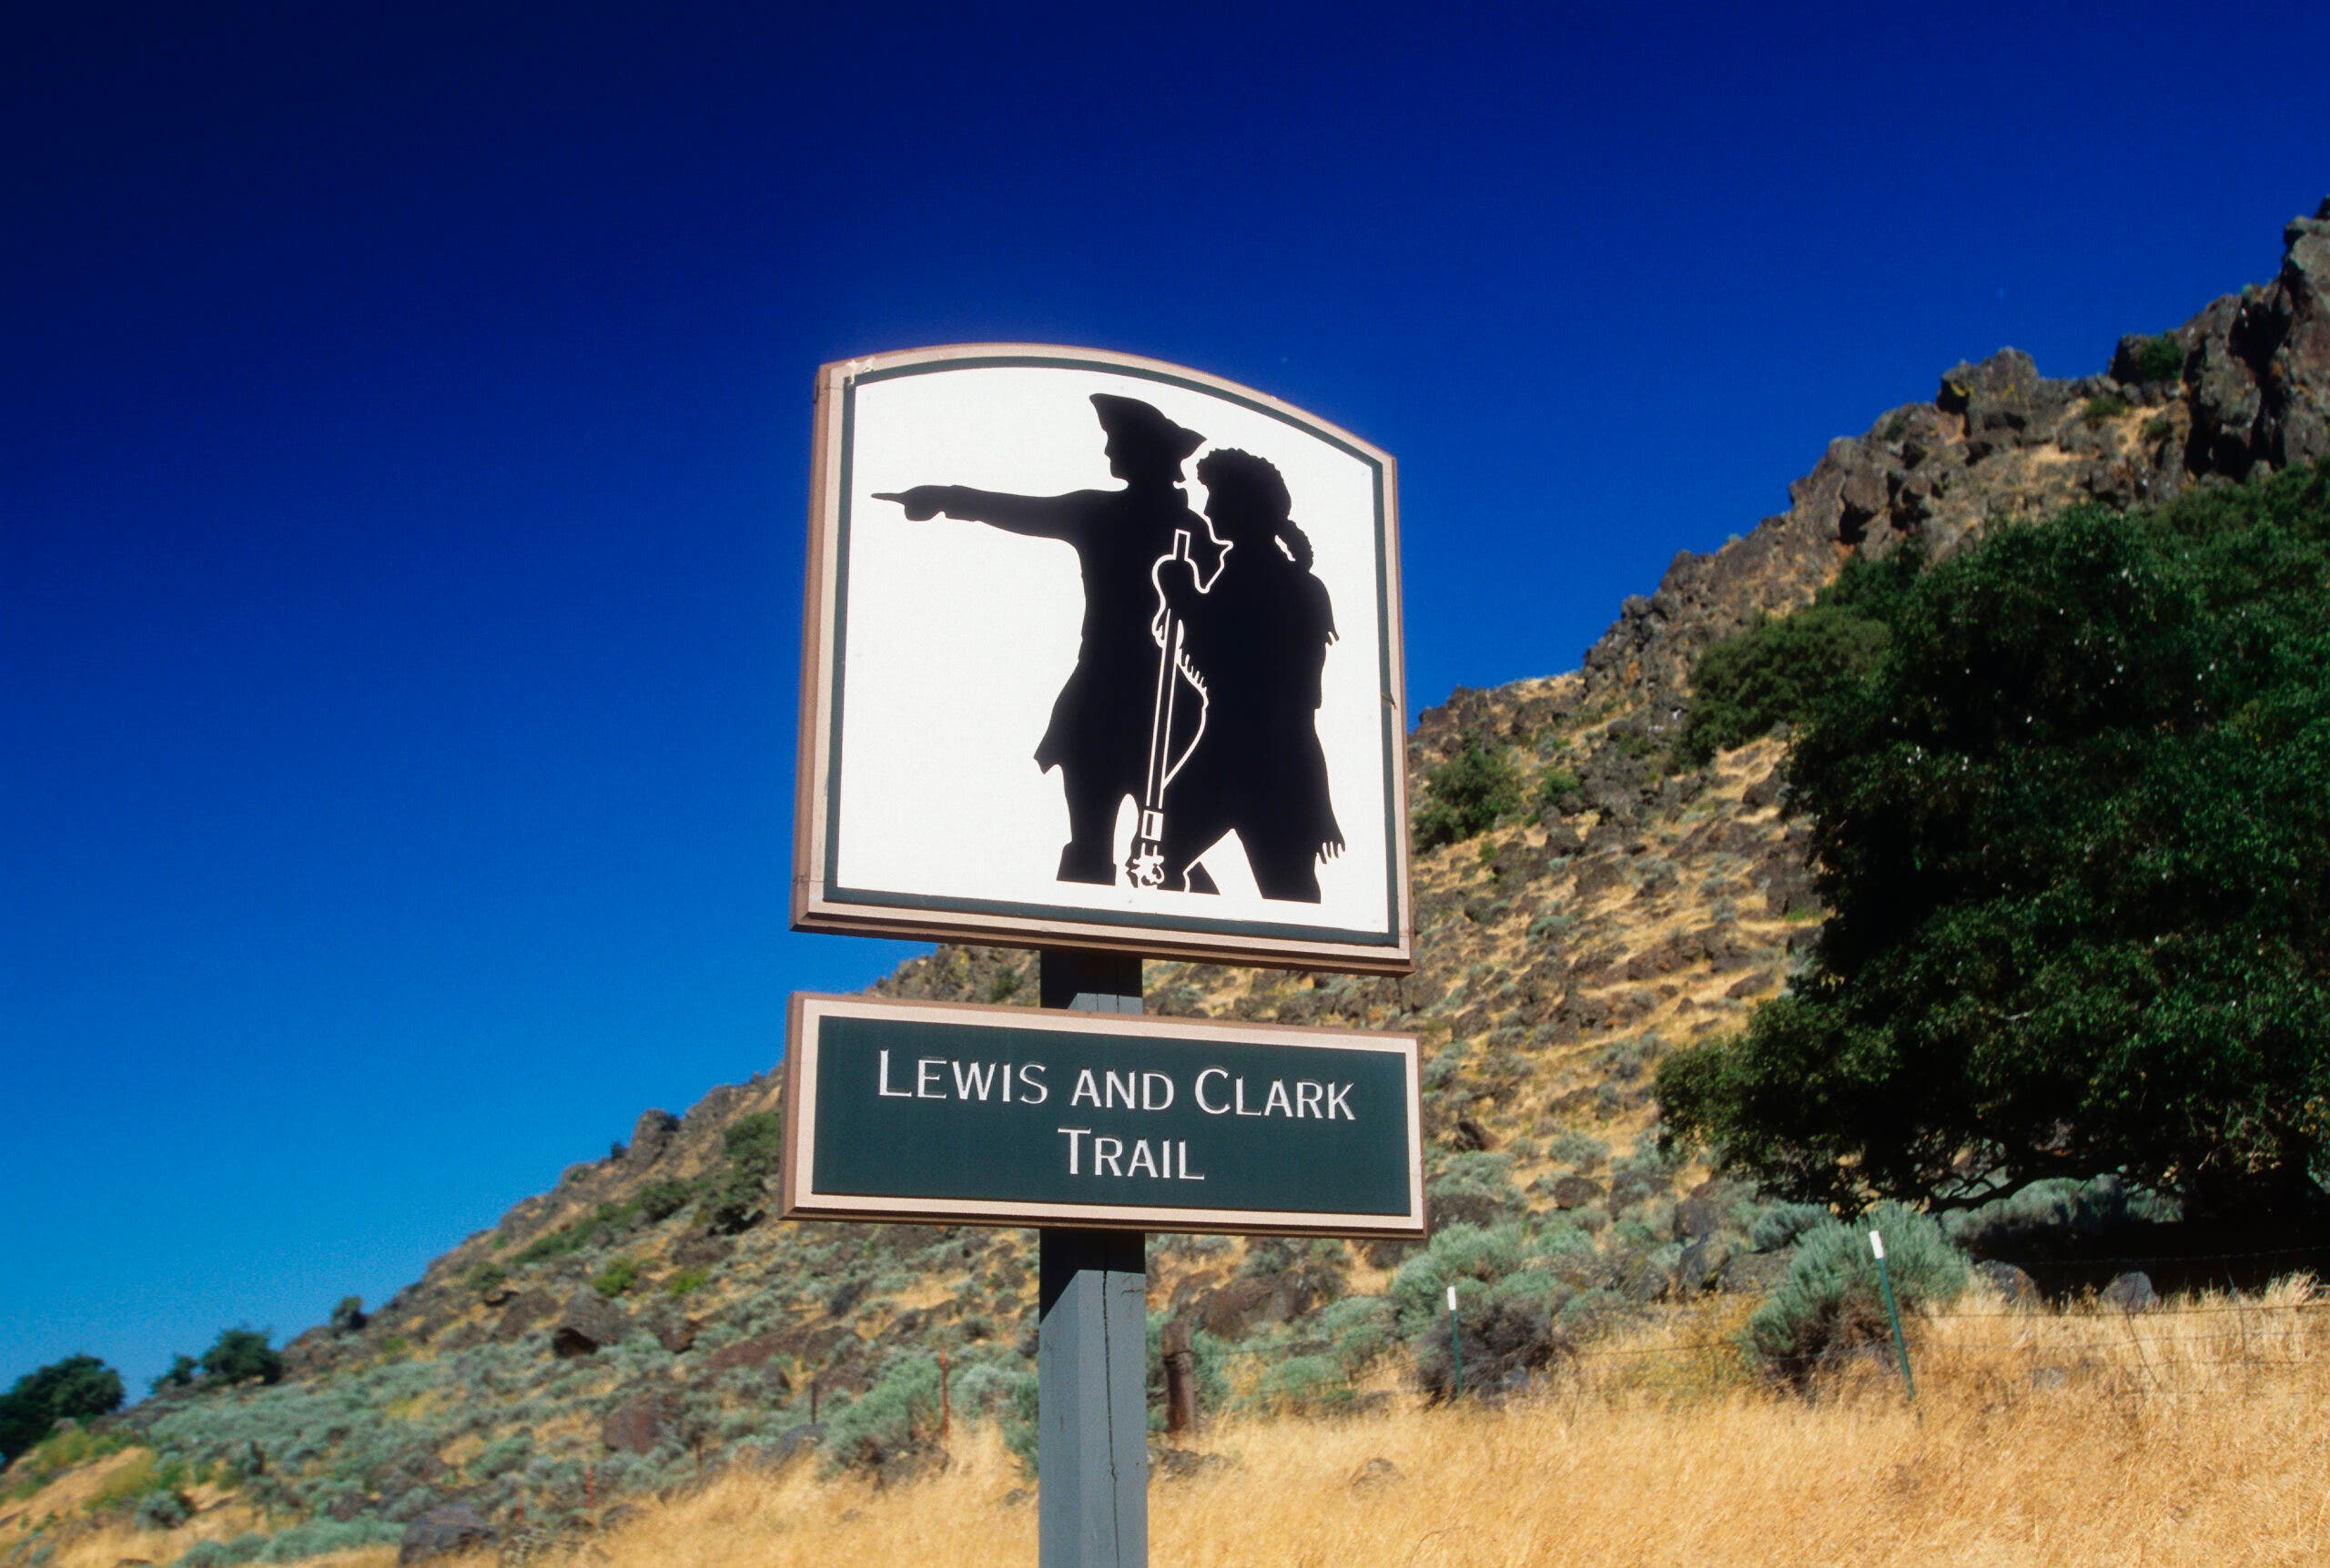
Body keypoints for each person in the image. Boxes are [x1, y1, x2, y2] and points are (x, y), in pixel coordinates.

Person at [876, 395, 1214, 885]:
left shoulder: (1191, 532)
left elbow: (1225, 622)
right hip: (1098, 693)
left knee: (1165, 845)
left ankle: (1197, 930)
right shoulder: (1099, 512)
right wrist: (944, 498)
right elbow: (1013, 510)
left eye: (1114, 443)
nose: (1106, 454)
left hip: (1159, 697)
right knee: (1092, 838)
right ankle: (1084, 935)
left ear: (1145, 452)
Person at [1147, 448, 1343, 902]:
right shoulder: (1237, 576)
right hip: (1231, 755)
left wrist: (1185, 603)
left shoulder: (1286, 587)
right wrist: (1183, 603)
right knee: (1155, 857)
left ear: (1248, 506)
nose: (1209, 508)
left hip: (1263, 761)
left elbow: (1270, 686)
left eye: (1218, 497)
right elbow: (1210, 663)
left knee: (1291, 897)